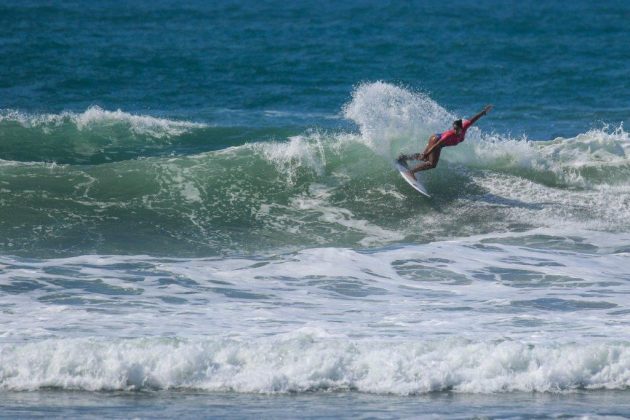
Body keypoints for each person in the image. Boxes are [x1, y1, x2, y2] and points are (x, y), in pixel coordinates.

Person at [398, 105, 493, 176]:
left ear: (461, 128)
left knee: (425, 158)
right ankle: (411, 172)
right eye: (454, 128)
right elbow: (437, 145)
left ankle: (403, 157)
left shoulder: (465, 126)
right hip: (436, 140)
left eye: (457, 129)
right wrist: (427, 153)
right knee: (432, 164)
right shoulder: (449, 135)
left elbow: (474, 119)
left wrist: (484, 111)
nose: (455, 130)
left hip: (437, 140)